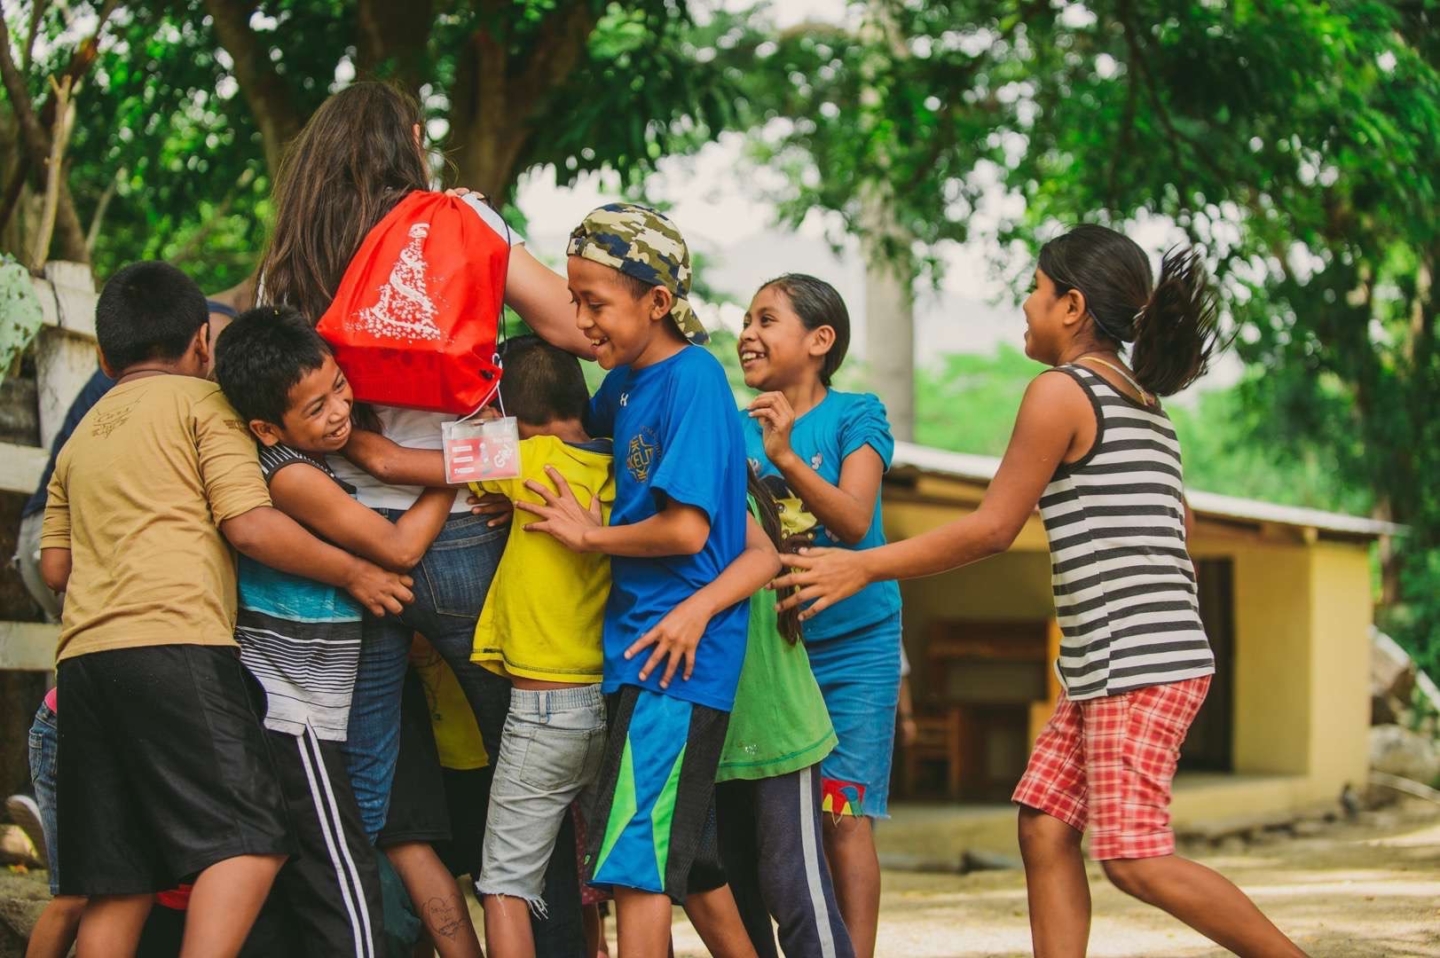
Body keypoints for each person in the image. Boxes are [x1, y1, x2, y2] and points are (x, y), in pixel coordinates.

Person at [773, 226, 1309, 958]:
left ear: (1072, 305)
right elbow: (1177, 519)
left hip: (1136, 665)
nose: (1024, 305)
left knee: (1135, 859)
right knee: (1045, 823)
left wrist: (864, 565)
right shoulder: (1143, 402)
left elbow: (994, 527)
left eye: (1034, 289)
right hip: (1113, 664)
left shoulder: (1061, 392)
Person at [258, 84, 592, 949]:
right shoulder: (459, 219)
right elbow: (572, 324)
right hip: (467, 531)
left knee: (360, 782)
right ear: (411, 140)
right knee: (528, 770)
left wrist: (370, 454)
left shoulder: (288, 264)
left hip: (347, 548)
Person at [36, 262, 413, 957]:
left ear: (102, 355)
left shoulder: (81, 436)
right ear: (203, 347)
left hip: (83, 667)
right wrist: (356, 570)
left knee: (121, 880)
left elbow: (54, 567)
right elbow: (249, 526)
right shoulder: (202, 406)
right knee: (253, 843)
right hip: (177, 645)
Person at [517, 203, 776, 958]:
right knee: (684, 859)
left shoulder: (691, 379)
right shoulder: (626, 383)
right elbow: (581, 446)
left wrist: (586, 535)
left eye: (595, 303)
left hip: (670, 657)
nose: (582, 319)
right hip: (642, 647)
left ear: (657, 302)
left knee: (635, 866)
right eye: (574, 300)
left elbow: (688, 529)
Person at [344, 334, 615, 958]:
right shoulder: (618, 467)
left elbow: (388, 463)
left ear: (504, 413)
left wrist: (325, 427)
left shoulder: (520, 457)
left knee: (504, 880)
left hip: (545, 709)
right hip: (604, 699)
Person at [215, 305, 472, 957]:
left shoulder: (317, 452)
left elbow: (384, 464)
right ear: (268, 426)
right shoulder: (291, 473)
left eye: (338, 387)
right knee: (346, 844)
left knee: (359, 822)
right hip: (299, 701)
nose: (338, 410)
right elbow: (398, 549)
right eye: (316, 408)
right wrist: (458, 480)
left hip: (328, 689)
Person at [736, 273, 902, 958]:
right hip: (775, 655)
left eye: (767, 319)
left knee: (842, 814)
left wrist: (782, 457)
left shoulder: (857, 415)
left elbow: (855, 519)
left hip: (855, 648)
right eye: (746, 319)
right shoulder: (735, 429)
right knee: (773, 827)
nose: (747, 332)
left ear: (819, 340)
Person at [682, 468, 854, 958]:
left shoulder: (723, 502)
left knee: (793, 884)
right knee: (736, 889)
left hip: (776, 728)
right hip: (715, 729)